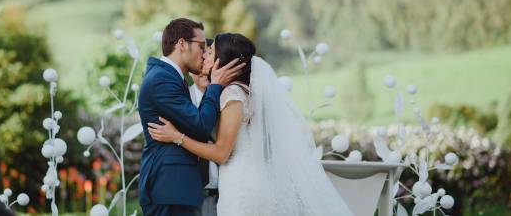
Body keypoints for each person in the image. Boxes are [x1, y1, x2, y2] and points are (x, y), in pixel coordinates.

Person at [148, 33, 355, 216]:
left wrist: (177, 137)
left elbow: (221, 153)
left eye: (209, 52)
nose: (203, 55)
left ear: (223, 61)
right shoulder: (234, 92)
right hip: (237, 180)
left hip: (243, 184)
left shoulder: (233, 94)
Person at [137, 18, 245, 216]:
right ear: (181, 44)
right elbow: (201, 124)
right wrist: (215, 85)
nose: (204, 54)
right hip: (169, 189)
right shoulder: (162, 79)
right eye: (201, 46)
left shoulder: (170, 77)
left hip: (176, 190)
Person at [188, 39, 219, 216]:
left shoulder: (228, 98)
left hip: (228, 189)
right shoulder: (181, 100)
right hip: (194, 193)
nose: (203, 70)